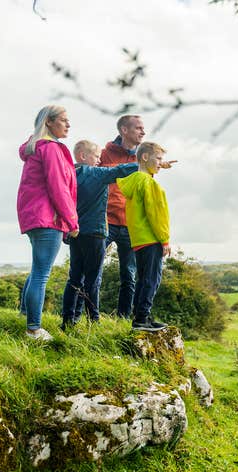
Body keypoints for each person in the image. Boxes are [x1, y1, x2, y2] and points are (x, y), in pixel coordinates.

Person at [60, 140, 139, 329]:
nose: (99, 161)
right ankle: (93, 321)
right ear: (83, 156)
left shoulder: (67, 174)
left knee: (74, 278)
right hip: (95, 234)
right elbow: (121, 170)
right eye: (96, 157)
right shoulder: (95, 174)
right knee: (92, 280)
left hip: (75, 232)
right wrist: (148, 163)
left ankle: (68, 321)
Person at [17, 105, 78, 341]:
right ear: (49, 122)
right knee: (42, 274)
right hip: (48, 217)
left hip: (35, 216)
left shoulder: (36, 148)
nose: (68, 124)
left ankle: (25, 314)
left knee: (37, 269)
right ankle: (33, 328)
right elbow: (58, 187)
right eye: (64, 120)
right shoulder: (51, 149)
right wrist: (71, 220)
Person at [116, 142, 172, 331]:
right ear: (145, 157)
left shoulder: (135, 180)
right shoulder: (148, 182)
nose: (160, 163)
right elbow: (156, 213)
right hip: (151, 238)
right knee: (152, 279)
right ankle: (142, 319)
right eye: (158, 159)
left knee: (143, 279)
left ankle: (140, 316)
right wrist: (164, 239)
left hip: (138, 239)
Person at [100, 115, 146, 318]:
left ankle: (123, 318)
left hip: (130, 224)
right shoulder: (104, 154)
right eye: (138, 128)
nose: (143, 132)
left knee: (129, 275)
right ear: (124, 130)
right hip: (106, 221)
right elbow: (94, 176)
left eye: (143, 128)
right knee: (93, 271)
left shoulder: (143, 158)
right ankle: (90, 317)